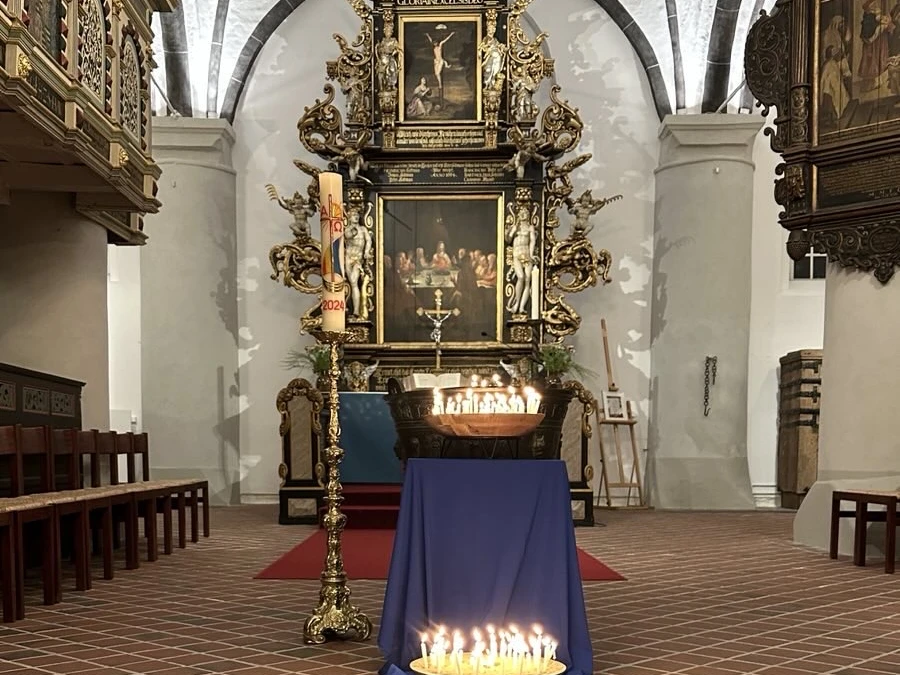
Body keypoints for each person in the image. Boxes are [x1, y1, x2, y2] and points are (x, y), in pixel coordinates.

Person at [426, 31, 455, 97]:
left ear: (437, 42)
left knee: (438, 73)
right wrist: (428, 35)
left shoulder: (440, 45)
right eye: (434, 43)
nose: (435, 44)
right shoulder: (434, 47)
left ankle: (440, 84)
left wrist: (451, 34)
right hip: (436, 61)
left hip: (440, 61)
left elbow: (445, 40)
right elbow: (430, 40)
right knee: (436, 74)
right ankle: (446, 66)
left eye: (435, 43)